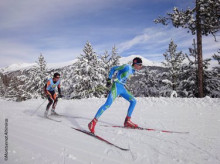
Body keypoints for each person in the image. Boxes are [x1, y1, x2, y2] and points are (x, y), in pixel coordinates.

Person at [88, 57, 143, 133]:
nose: (141, 66)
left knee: (133, 101)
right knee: (107, 105)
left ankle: (127, 121)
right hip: (116, 87)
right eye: (140, 64)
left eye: (141, 65)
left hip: (122, 88)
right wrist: (109, 79)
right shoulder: (126, 67)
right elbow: (114, 68)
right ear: (135, 63)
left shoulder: (133, 71)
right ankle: (92, 122)